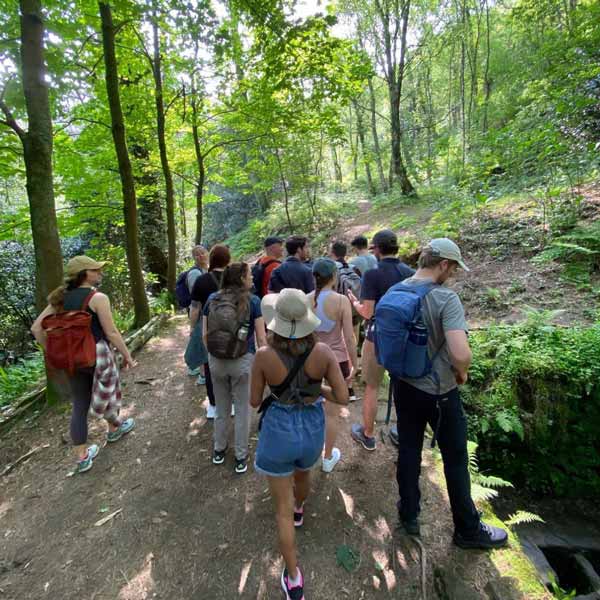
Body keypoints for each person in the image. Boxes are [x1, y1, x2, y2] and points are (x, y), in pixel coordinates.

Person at [392, 239, 508, 549]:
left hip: (403, 386)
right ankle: (467, 530)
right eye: (454, 268)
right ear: (443, 264)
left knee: (408, 450)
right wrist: (464, 372)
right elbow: (460, 352)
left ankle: (409, 513)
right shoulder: (446, 298)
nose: (454, 274)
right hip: (439, 392)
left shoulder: (397, 288)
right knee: (456, 459)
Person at [251, 289, 348, 600]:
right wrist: (315, 390)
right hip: (311, 424)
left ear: (275, 321)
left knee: (280, 510)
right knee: (304, 474)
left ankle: (294, 578)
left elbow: (254, 401)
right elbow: (343, 397)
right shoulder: (323, 353)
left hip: (279, 426)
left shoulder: (264, 355)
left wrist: (279, 389)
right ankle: (300, 508)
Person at [31, 256, 136, 474]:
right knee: (108, 392)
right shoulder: (97, 298)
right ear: (84, 273)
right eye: (96, 269)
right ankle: (114, 428)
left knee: (80, 402)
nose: (100, 272)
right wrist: (127, 356)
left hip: (72, 359)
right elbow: (111, 332)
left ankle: (82, 457)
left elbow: (36, 329)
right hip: (98, 354)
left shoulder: (59, 298)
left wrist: (54, 351)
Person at [348, 229, 414, 451]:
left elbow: (367, 312)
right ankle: (403, 432)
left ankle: (367, 435)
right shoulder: (410, 273)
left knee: (372, 386)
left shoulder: (373, 274)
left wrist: (354, 302)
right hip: (405, 336)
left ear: (376, 249)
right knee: (404, 386)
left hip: (377, 335)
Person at [202, 262, 266, 474]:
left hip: (216, 361)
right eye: (249, 275)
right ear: (241, 279)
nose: (253, 278)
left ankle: (219, 449)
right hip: (242, 360)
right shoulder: (253, 301)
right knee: (242, 409)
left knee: (221, 407)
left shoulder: (212, 299)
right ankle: (240, 456)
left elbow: (205, 334)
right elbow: (261, 338)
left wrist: (213, 357)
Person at [308, 258, 358, 473]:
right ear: (334, 277)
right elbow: (349, 337)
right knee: (331, 413)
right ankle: (327, 458)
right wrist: (354, 364)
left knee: (310, 408)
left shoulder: (305, 299)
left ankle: (307, 454)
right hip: (337, 361)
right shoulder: (341, 301)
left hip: (311, 359)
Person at [190, 244, 231, 418]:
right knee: (231, 360)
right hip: (231, 327)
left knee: (209, 365)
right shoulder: (234, 278)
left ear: (211, 258)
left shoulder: (201, 280)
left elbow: (195, 308)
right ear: (228, 259)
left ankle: (214, 405)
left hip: (209, 328)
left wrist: (193, 328)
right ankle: (232, 402)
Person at [184, 245, 209, 378]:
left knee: (200, 341)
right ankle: (202, 374)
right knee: (200, 341)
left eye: (203, 253)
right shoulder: (195, 273)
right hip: (198, 312)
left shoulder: (205, 269)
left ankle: (196, 368)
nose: (201, 256)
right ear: (194, 258)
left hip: (204, 311)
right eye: (197, 254)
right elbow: (197, 297)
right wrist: (192, 324)